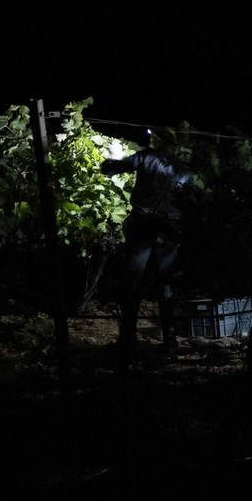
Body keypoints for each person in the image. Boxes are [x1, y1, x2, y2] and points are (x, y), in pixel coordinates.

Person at [101, 128, 193, 372]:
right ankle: (170, 343)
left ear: (157, 141)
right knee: (165, 285)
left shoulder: (145, 157)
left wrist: (115, 156)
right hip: (170, 230)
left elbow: (109, 169)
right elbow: (187, 202)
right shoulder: (184, 170)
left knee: (132, 283)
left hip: (143, 225)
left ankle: (128, 341)